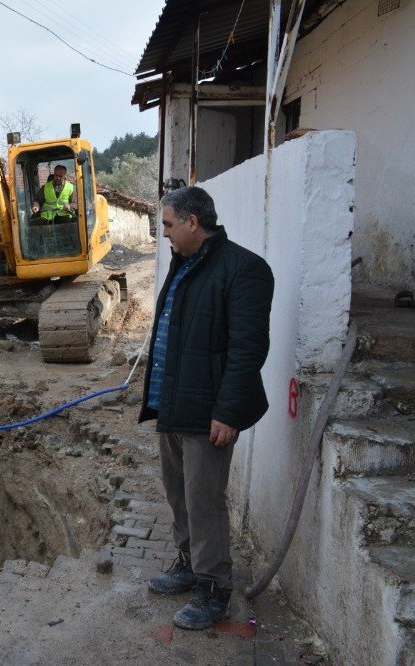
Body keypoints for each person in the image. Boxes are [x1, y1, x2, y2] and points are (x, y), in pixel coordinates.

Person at [139, 186, 274, 631]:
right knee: (178, 491)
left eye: (169, 225)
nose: (165, 235)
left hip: (208, 410)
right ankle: (188, 562)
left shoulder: (245, 270)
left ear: (193, 223)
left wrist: (229, 412)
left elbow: (247, 349)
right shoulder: (183, 265)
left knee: (204, 500)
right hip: (174, 402)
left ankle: (215, 587)